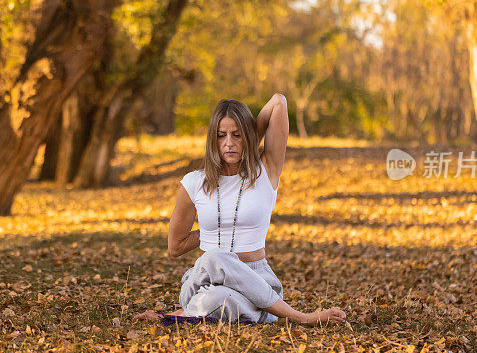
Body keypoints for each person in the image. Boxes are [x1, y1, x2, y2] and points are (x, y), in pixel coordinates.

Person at [133, 94, 346, 325]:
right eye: (221, 136)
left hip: (255, 277)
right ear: (212, 139)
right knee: (215, 257)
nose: (229, 143)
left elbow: (278, 102)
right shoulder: (194, 182)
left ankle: (195, 314)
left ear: (248, 136)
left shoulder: (264, 172)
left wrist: (251, 136)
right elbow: (175, 247)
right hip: (203, 279)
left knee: (221, 299)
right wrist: (213, 231)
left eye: (237, 135)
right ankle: (296, 316)